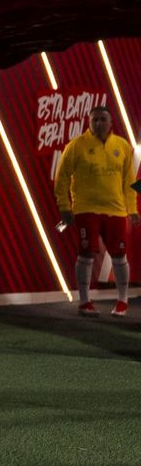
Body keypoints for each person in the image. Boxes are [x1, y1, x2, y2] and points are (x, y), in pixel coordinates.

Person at [55, 106, 137, 317]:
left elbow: (129, 181)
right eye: (95, 120)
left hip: (116, 210)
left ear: (111, 123)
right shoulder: (76, 146)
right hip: (86, 209)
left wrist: (133, 209)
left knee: (119, 254)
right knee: (86, 253)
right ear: (89, 123)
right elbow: (61, 177)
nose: (99, 124)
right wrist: (65, 207)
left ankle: (122, 301)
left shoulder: (122, 146)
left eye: (103, 119)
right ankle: (84, 301)